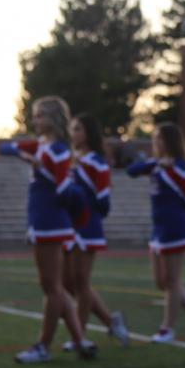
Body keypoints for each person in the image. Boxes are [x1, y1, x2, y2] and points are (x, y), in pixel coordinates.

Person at [0, 95, 94, 363]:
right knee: (54, 286)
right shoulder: (45, 146)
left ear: (52, 119)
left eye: (40, 116)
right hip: (42, 219)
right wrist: (21, 153)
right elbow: (7, 149)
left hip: (51, 220)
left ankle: (43, 345)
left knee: (51, 287)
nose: (35, 120)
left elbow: (63, 186)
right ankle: (79, 340)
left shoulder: (58, 150)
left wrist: (40, 165)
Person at [127, 123, 185, 343]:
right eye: (155, 139)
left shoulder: (182, 166)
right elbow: (131, 171)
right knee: (161, 281)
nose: (157, 143)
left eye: (161, 139)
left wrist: (169, 166)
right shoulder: (155, 165)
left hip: (176, 227)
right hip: (158, 228)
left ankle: (167, 328)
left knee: (172, 281)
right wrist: (157, 162)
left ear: (171, 142)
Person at [65, 113, 131, 347]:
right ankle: (110, 322)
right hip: (67, 224)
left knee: (81, 281)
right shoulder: (69, 158)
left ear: (89, 133)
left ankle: (79, 335)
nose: (74, 134)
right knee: (67, 283)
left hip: (87, 224)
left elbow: (103, 200)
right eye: (72, 129)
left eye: (78, 129)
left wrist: (87, 211)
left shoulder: (96, 161)